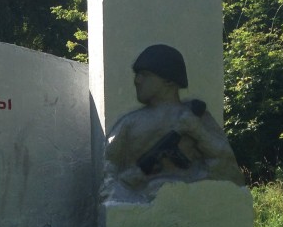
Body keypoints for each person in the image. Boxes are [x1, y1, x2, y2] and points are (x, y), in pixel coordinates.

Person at [101, 44, 244, 203]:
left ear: (169, 80)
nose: (137, 80)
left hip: (190, 202)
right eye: (137, 75)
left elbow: (228, 167)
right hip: (141, 202)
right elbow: (109, 166)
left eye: (144, 74)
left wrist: (198, 131)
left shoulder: (197, 117)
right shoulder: (129, 123)